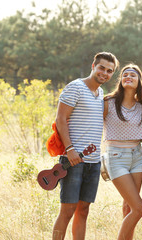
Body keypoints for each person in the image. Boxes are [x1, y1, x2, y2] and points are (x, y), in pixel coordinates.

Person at [53, 52, 119, 240]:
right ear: (93, 66)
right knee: (67, 210)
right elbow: (60, 119)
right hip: (73, 160)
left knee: (83, 210)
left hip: (93, 161)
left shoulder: (100, 95)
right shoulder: (76, 87)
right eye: (102, 68)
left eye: (109, 71)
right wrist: (69, 149)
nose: (104, 73)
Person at [102, 64, 142, 240]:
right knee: (139, 208)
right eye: (125, 74)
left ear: (139, 82)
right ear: (121, 80)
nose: (128, 76)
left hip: (138, 156)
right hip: (116, 157)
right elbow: (93, 122)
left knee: (129, 206)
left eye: (133, 75)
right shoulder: (108, 102)